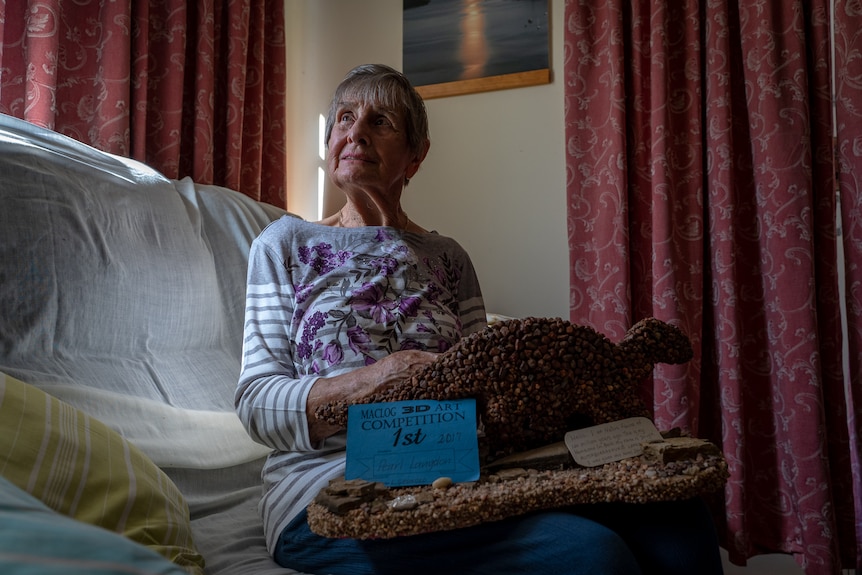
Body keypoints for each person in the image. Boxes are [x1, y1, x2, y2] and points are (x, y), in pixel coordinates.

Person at [236, 63, 724, 575]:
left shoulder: (449, 258)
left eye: (380, 121)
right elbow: (256, 402)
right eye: (344, 118)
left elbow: (489, 385)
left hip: (462, 474)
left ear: (416, 156)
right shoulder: (286, 244)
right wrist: (377, 381)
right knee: (590, 554)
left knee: (678, 517)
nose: (355, 132)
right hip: (335, 489)